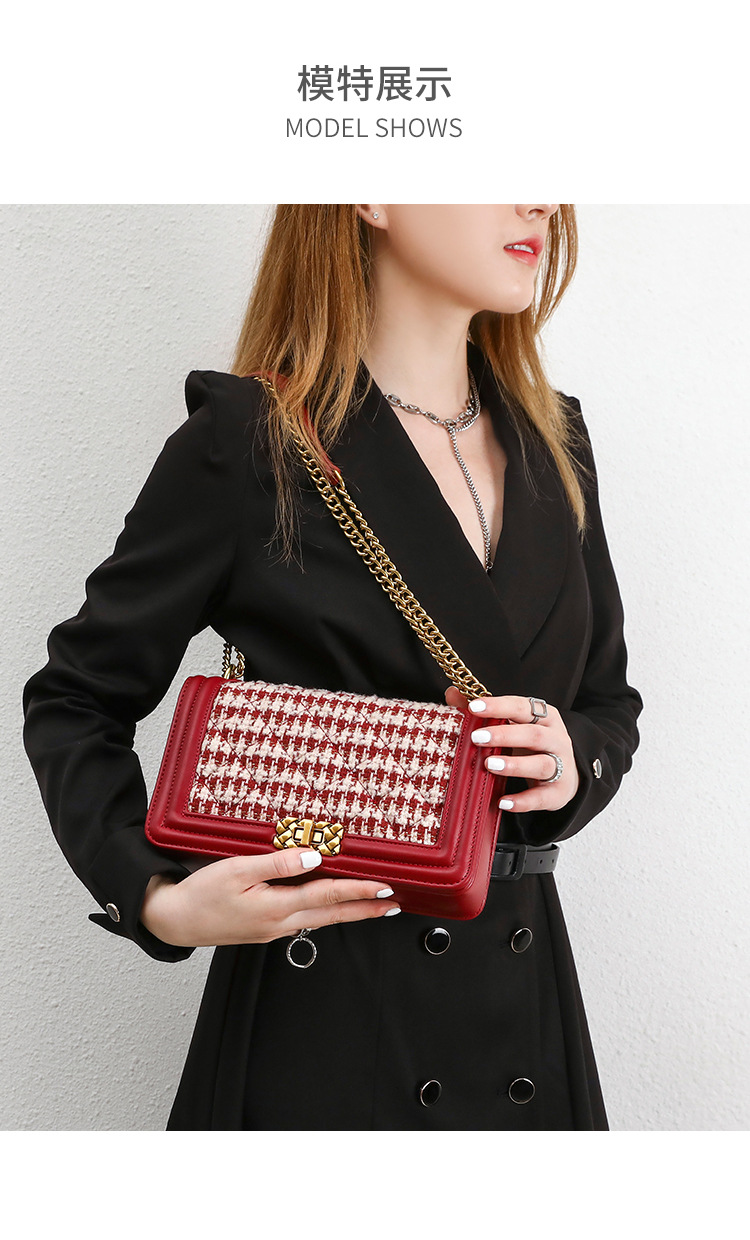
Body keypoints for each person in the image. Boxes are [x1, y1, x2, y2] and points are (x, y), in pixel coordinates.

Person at [22, 204, 643, 1130]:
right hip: (326, 1008)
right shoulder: (252, 438)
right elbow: (75, 697)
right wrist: (155, 897)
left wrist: (569, 759)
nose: (540, 201)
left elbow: (606, 702)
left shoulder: (557, 441)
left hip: (526, 1002)